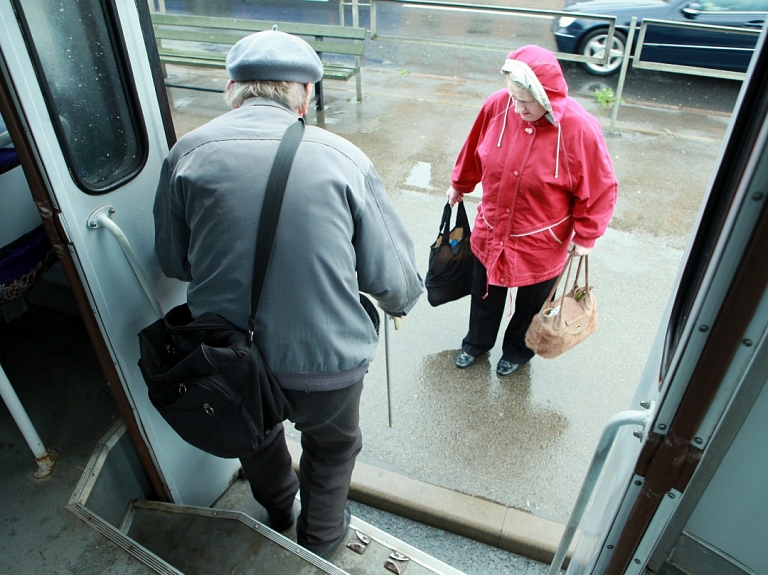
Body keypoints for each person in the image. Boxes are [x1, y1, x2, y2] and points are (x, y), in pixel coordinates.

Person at [153, 29, 424, 559]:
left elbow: (174, 261)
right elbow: (393, 277)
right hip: (326, 360)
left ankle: (278, 509)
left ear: (232, 88)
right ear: (303, 95)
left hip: (229, 355)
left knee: (254, 433)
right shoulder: (344, 159)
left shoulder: (187, 153)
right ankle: (320, 545)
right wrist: (399, 305)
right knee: (334, 446)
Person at [447, 45, 617, 377]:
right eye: (513, 97)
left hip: (543, 239)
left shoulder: (580, 129)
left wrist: (587, 234)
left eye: (526, 101)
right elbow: (473, 148)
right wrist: (460, 183)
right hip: (493, 229)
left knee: (532, 305)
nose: (516, 107)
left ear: (547, 96)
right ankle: (476, 344)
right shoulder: (498, 106)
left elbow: (600, 186)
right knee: (484, 295)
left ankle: (518, 351)